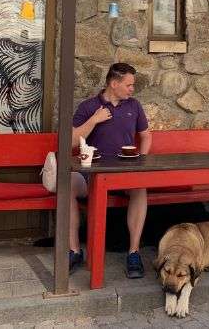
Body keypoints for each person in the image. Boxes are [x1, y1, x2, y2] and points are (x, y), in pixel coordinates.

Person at [69, 63, 151, 278]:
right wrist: (94, 120)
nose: (132, 89)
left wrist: (141, 160)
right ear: (114, 84)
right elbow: (71, 141)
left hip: (123, 173)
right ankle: (74, 250)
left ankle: (133, 253)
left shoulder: (134, 106)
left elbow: (146, 135)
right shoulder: (88, 107)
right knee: (66, 184)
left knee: (140, 187)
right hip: (91, 175)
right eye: (129, 85)